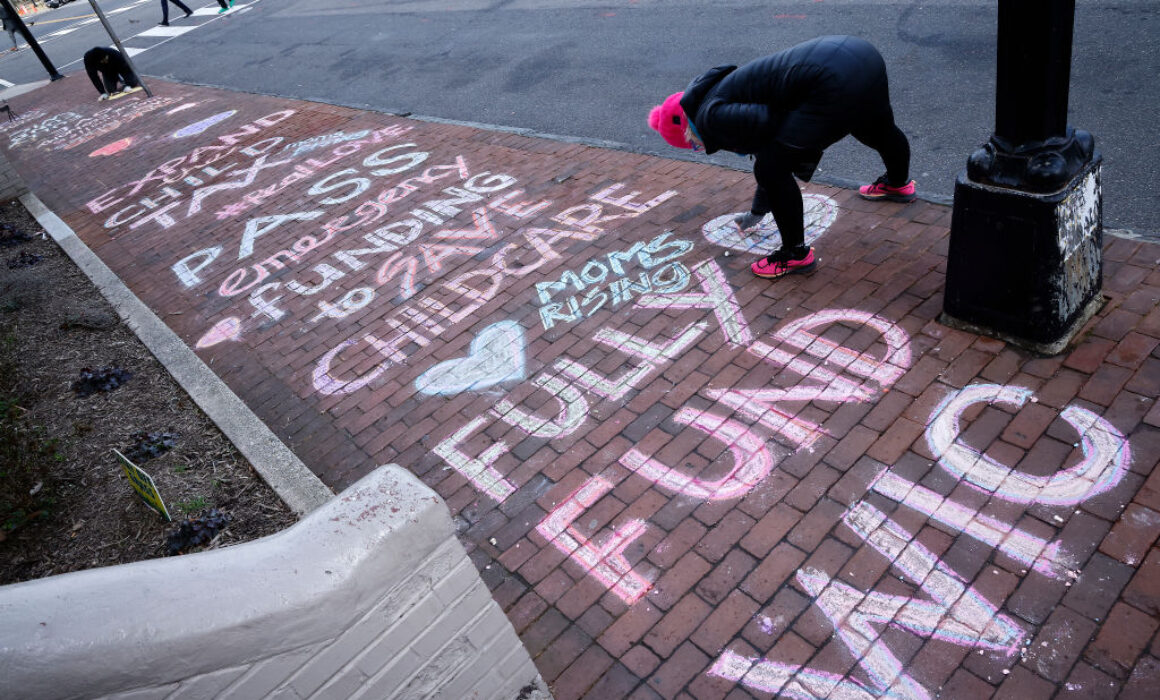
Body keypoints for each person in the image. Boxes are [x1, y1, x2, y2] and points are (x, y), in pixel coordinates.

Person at [648, 35, 916, 280]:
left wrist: (762, 199)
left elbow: (770, 133)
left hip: (831, 80)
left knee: (771, 169)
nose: (699, 149)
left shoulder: (711, 118)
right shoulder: (714, 91)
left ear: (687, 133)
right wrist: (758, 209)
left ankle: (794, 254)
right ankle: (897, 183)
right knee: (874, 125)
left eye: (693, 146)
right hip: (862, 55)